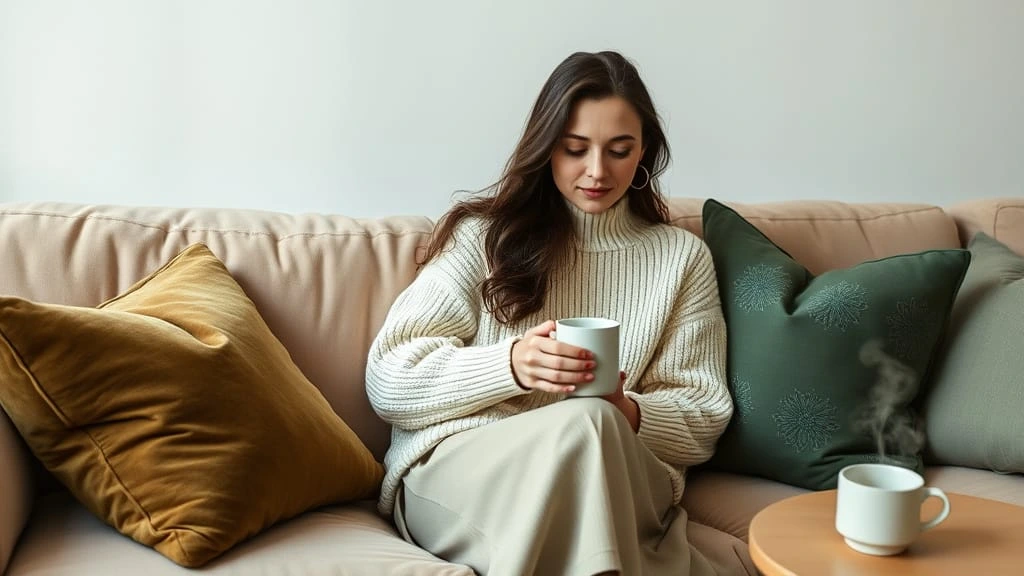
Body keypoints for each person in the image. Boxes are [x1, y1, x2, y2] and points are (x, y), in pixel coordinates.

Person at [366, 51, 737, 576]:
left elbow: (703, 418)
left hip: (613, 474)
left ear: (644, 153)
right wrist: (511, 365)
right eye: (575, 149)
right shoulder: (486, 239)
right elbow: (389, 378)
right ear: (547, 148)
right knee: (588, 424)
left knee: (593, 422)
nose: (596, 171)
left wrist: (627, 412)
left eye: (619, 150)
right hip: (471, 470)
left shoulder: (681, 259)